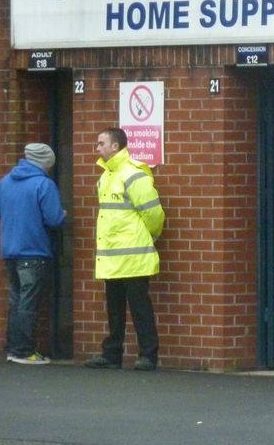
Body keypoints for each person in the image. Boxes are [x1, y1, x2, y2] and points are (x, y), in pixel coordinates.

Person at [85, 128, 165, 371]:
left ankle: (148, 355)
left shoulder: (133, 175)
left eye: (101, 143)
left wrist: (150, 236)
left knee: (140, 309)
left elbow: (154, 213)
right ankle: (112, 354)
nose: (97, 148)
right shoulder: (106, 176)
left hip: (134, 256)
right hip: (113, 257)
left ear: (115, 146)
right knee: (114, 309)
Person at [0, 142, 66, 365]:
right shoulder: (43, 184)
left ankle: (12, 347)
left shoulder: (4, 183)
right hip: (34, 251)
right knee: (28, 303)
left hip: (10, 251)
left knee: (16, 301)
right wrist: (64, 214)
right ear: (45, 163)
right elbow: (54, 219)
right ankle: (23, 351)